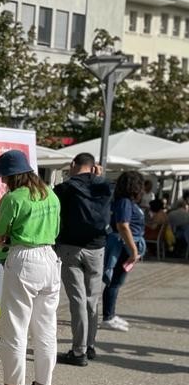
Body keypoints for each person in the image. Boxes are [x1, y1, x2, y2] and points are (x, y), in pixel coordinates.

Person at [0, 150, 61, 385]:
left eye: (4, 177)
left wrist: (0, 255)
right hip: (50, 257)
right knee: (46, 327)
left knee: (15, 326)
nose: (3, 181)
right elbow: (57, 229)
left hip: (24, 258)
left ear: (12, 176)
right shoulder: (51, 195)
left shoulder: (13, 198)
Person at [53, 153, 111, 367]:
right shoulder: (104, 186)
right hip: (97, 248)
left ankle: (79, 351)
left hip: (71, 248)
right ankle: (90, 345)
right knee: (92, 299)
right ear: (94, 167)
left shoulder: (64, 188)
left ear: (73, 165)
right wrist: (100, 177)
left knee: (77, 300)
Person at [100, 170, 146, 333]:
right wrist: (133, 251)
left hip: (126, 244)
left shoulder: (125, 202)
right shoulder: (125, 202)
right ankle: (108, 316)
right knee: (115, 282)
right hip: (123, 245)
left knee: (116, 282)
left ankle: (110, 314)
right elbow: (123, 226)